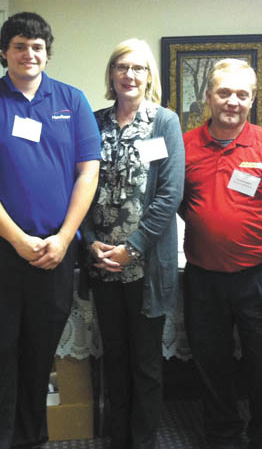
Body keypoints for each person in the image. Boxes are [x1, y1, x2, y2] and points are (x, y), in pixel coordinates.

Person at [0, 12, 101, 448]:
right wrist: (18, 240)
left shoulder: (72, 102)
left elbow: (87, 175)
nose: (29, 53)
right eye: (19, 45)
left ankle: (28, 439)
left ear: (47, 53)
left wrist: (64, 237)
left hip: (54, 253)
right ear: (4, 52)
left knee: (38, 358)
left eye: (37, 46)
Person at [179, 58, 262, 449]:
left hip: (257, 276)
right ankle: (222, 434)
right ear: (208, 97)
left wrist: (244, 231)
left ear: (252, 99)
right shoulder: (185, 146)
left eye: (242, 94)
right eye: (224, 93)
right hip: (202, 277)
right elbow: (178, 202)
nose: (233, 101)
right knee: (211, 364)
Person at [81, 39, 184, 449]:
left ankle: (143, 442)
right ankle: (116, 439)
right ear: (111, 74)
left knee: (145, 364)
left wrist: (133, 247)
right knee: (114, 359)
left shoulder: (164, 122)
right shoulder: (93, 121)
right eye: (122, 66)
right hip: (103, 264)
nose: (129, 75)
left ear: (149, 76)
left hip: (145, 266)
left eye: (139, 68)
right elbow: (81, 188)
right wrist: (90, 243)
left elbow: (170, 194)